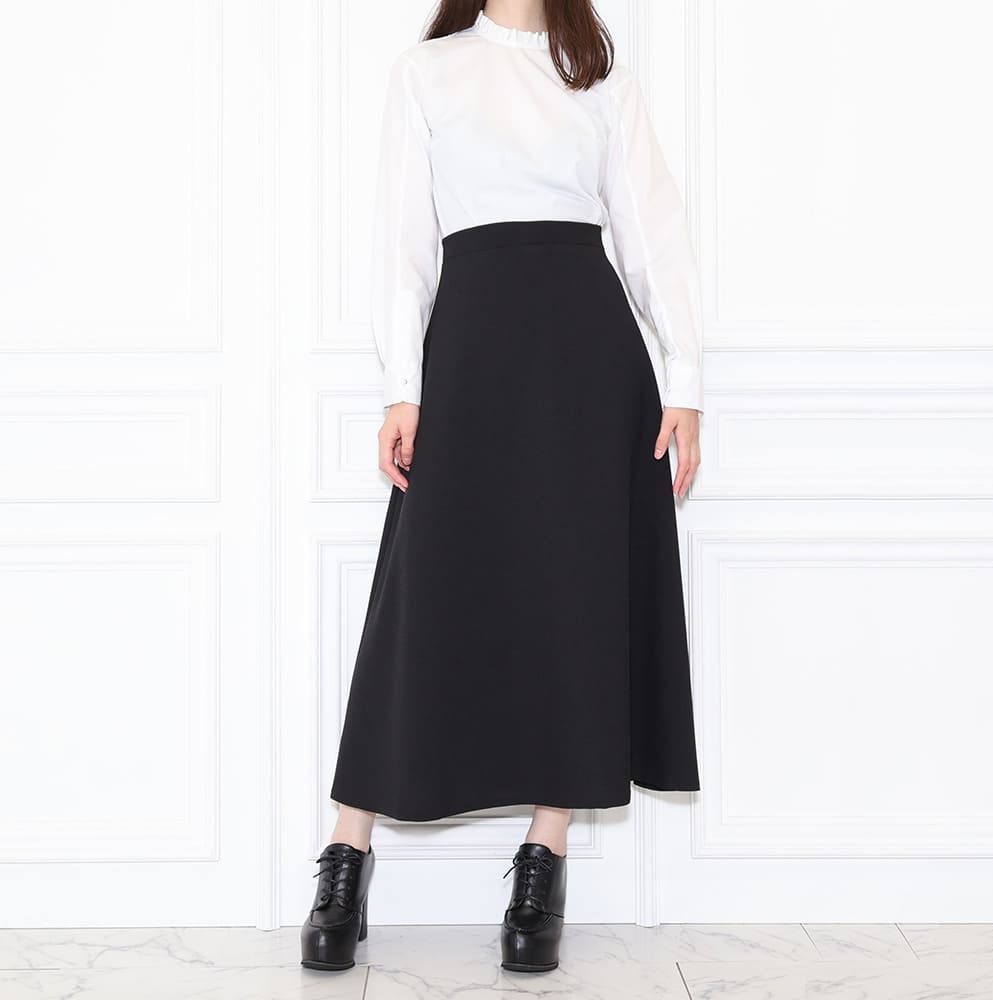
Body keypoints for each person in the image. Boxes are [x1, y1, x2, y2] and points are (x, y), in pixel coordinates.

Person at [301, 0, 703, 974]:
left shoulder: (597, 72)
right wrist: (402, 386)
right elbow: (401, 241)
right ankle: (347, 850)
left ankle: (543, 855)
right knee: (421, 596)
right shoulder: (429, 71)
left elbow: (651, 228)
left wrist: (685, 377)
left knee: (573, 596)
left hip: (587, 360)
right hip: (471, 351)